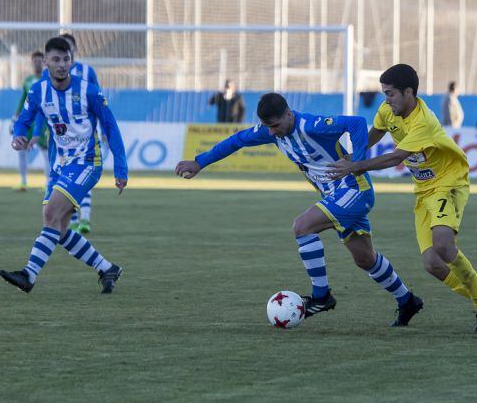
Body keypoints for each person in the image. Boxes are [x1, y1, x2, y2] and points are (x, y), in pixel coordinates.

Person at [175, 93, 424, 327]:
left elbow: (357, 123)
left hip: (354, 190)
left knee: (302, 226)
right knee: (365, 258)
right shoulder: (272, 132)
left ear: (288, 115)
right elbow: (237, 140)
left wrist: (356, 162)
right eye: (268, 127)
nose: (272, 132)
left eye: (275, 125)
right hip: (336, 195)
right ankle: (407, 301)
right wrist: (200, 162)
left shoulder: (312, 125)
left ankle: (321, 296)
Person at [328, 64, 477, 334]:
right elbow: (377, 132)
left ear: (408, 92)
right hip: (424, 189)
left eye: (390, 94)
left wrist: (355, 167)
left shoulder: (423, 122)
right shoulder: (388, 111)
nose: (386, 100)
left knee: (443, 245)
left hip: (448, 184)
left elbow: (395, 158)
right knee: (432, 264)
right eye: (384, 94)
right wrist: (351, 155)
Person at [0, 36, 128, 294]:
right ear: (45, 61)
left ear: (72, 60)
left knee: (50, 215)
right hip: (60, 165)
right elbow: (23, 120)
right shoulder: (38, 91)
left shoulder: (88, 91)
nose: (61, 65)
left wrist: (121, 168)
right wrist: (17, 136)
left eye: (65, 59)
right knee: (57, 228)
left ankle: (29, 275)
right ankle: (106, 268)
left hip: (87, 162)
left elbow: (111, 126)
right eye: (55, 59)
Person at [39, 33, 99, 234]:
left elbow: (97, 101)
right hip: (60, 140)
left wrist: (100, 129)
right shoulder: (47, 77)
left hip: (83, 139)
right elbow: (41, 105)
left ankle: (85, 219)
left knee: (82, 176)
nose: (64, 60)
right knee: (60, 181)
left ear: (73, 53)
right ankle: (71, 220)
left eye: (69, 52)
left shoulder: (87, 71)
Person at [13, 51, 46, 192]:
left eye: (40, 61)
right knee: (21, 150)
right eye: (35, 61)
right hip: (28, 122)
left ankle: (49, 185)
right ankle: (23, 181)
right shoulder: (27, 80)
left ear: (44, 62)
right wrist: (17, 114)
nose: (37, 64)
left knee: (46, 152)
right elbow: (23, 99)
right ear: (32, 63)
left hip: (43, 122)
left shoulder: (48, 79)